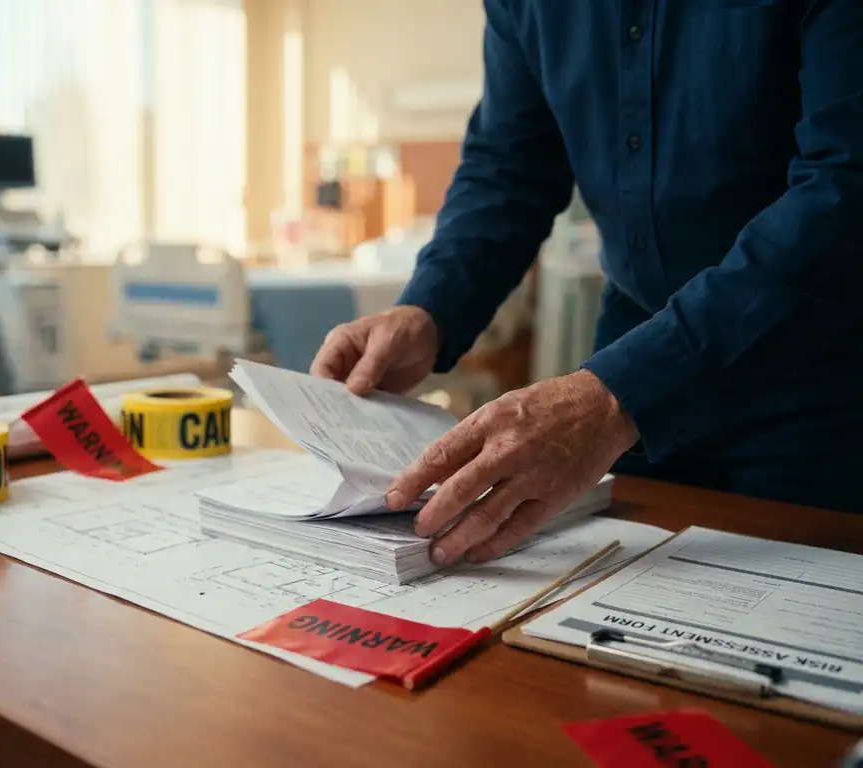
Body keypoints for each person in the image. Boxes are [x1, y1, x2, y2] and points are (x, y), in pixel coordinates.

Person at [310, 0, 863, 567]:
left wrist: (616, 396)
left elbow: (845, 194)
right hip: (635, 366)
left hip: (820, 378)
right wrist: (430, 307)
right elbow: (509, 165)